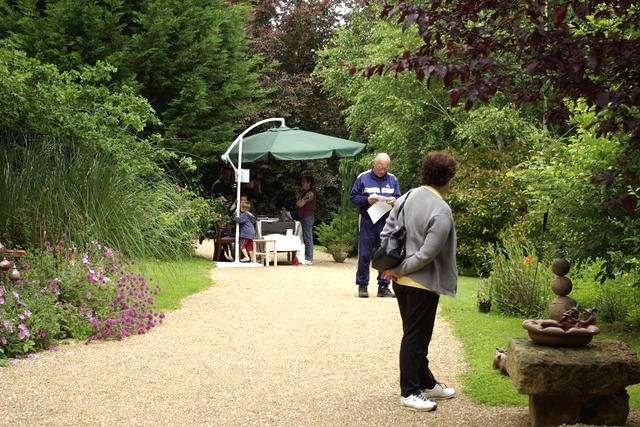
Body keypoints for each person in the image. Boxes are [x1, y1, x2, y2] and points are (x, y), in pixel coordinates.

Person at [380, 151, 458, 411]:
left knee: (416, 336)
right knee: (416, 337)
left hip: (401, 283)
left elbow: (387, 232)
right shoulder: (441, 210)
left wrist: (391, 268)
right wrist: (399, 269)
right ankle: (410, 391)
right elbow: (426, 254)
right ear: (447, 178)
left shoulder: (406, 197)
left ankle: (426, 382)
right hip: (421, 283)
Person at [350, 153, 401, 298]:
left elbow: (399, 198)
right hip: (367, 220)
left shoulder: (393, 179)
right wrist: (367, 200)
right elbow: (353, 197)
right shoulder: (363, 177)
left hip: (386, 222)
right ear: (374, 164)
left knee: (384, 253)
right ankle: (362, 285)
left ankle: (383, 286)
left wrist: (394, 200)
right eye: (380, 167)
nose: (382, 170)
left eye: (385, 168)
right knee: (365, 253)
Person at [296, 175, 316, 266]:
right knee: (305, 237)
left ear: (309, 183)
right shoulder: (305, 192)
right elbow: (298, 203)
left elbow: (300, 204)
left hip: (307, 217)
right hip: (303, 217)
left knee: (308, 238)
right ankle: (306, 257)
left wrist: (300, 202)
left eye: (304, 182)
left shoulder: (310, 193)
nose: (302, 184)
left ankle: (309, 258)